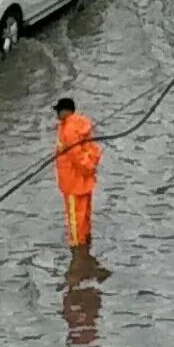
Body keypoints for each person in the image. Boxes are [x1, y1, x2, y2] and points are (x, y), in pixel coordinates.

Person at [54, 95, 102, 252]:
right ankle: (86, 239)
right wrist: (90, 169)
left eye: (59, 111)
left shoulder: (68, 130)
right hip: (84, 180)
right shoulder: (81, 123)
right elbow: (91, 150)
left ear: (66, 112)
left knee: (75, 217)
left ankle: (77, 248)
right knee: (85, 214)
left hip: (73, 181)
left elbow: (76, 156)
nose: (57, 115)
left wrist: (86, 168)